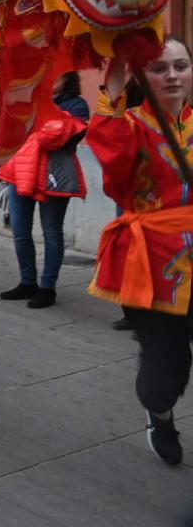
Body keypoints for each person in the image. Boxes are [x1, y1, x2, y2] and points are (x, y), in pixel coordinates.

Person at [87, 36, 192, 465]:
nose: (172, 75)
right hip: (152, 265)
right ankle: (160, 412)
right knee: (167, 372)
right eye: (159, 68)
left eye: (181, 66)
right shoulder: (129, 126)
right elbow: (112, 162)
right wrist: (111, 91)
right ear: (141, 77)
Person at [0, 71, 90, 308]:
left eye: (56, 77)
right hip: (21, 171)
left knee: (51, 231)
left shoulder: (77, 105)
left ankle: (48, 288)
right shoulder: (31, 100)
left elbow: (63, 139)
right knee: (20, 231)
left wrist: (44, 116)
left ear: (67, 80)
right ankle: (27, 282)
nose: (50, 82)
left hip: (54, 174)